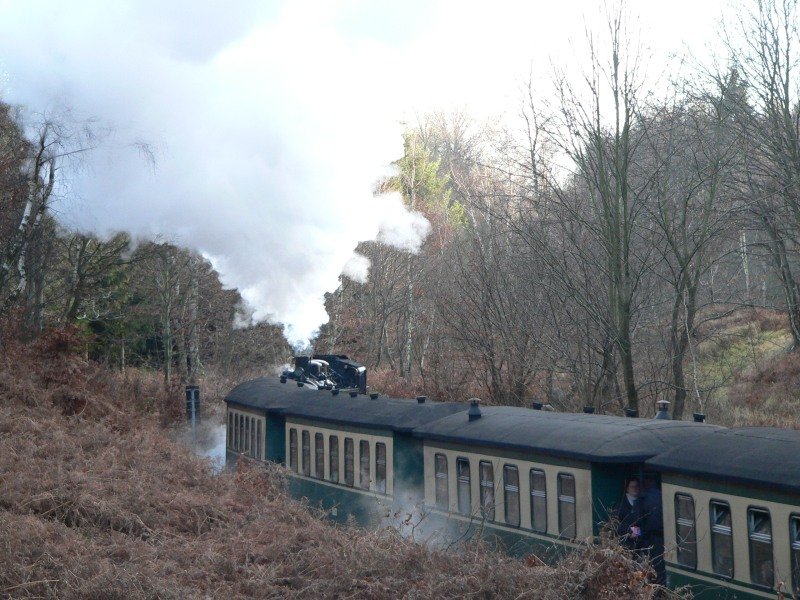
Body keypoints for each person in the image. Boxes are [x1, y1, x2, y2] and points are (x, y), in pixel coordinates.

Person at [641, 472, 665, 585]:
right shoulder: (661, 495)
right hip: (658, 536)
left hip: (650, 537)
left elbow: (635, 523)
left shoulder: (643, 498)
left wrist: (637, 534)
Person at [615, 478, 644, 552]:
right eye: (632, 487)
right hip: (626, 544)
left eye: (636, 486)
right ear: (627, 489)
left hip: (641, 543)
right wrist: (631, 531)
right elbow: (616, 523)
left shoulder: (642, 503)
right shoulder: (622, 504)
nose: (634, 488)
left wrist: (637, 531)